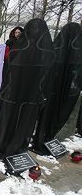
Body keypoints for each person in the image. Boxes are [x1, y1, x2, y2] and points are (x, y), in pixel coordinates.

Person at [0, 18, 55, 159]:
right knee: (20, 121)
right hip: (27, 95)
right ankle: (11, 144)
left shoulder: (20, 49)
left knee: (13, 120)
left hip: (18, 94)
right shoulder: (48, 53)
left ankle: (8, 144)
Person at [33, 23, 82, 155]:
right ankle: (47, 136)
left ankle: (43, 136)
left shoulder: (56, 48)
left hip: (52, 92)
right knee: (56, 115)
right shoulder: (75, 51)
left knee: (47, 116)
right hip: (65, 93)